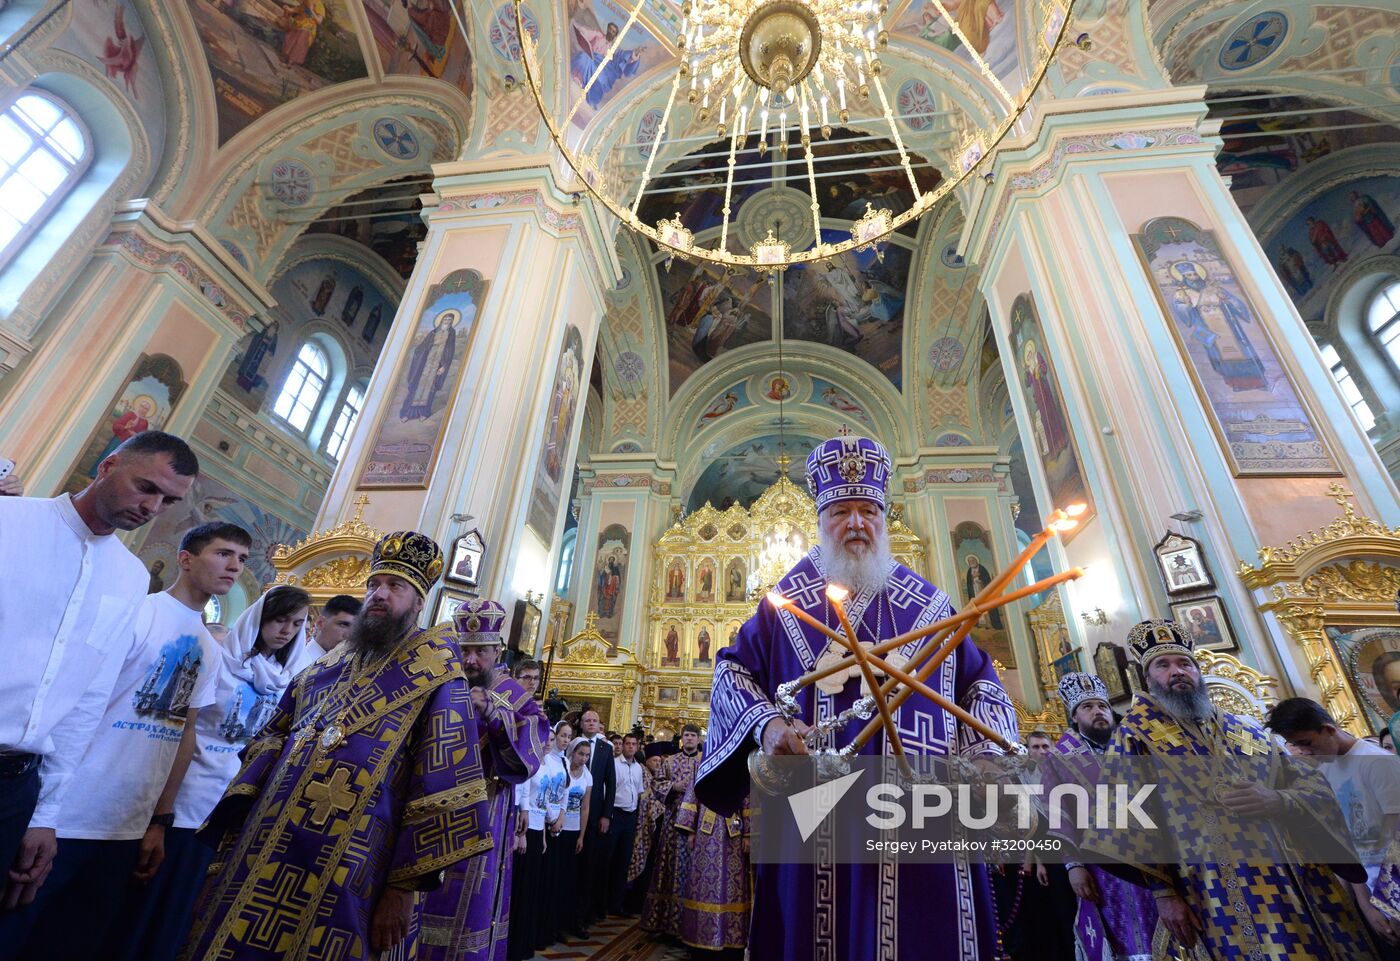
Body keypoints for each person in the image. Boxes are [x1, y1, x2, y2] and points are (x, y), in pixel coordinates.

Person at [695, 432, 1019, 960]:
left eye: (868, 509)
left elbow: (982, 683)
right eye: (841, 510)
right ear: (820, 520)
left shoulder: (932, 606)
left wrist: (985, 753)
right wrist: (769, 726)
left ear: (883, 517)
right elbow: (732, 672)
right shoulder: (785, 603)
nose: (855, 523)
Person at [182, 531, 495, 961]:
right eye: (374, 584)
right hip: (269, 844)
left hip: (358, 864)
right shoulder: (329, 664)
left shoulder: (439, 671)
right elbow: (271, 739)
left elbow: (442, 785)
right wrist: (231, 842)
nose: (379, 595)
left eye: (395, 587)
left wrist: (403, 889)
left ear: (419, 601)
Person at [0, 519, 235, 960]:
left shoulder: (210, 647)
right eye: (224, 554)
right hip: (69, 813)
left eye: (241, 559)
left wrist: (158, 821)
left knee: (77, 943)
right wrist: (44, 812)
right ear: (185, 559)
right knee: (15, 932)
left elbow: (184, 736)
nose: (235, 566)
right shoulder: (138, 612)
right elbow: (82, 704)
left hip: (127, 825)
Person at [1082, 620, 1379, 960]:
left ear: (1197, 671)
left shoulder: (1246, 731)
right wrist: (1164, 894)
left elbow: (1311, 784)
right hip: (1213, 891)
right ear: (1148, 680)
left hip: (1296, 881)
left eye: (1184, 664)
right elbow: (1121, 817)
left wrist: (1279, 800)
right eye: (1162, 666)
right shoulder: (1135, 736)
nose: (1177, 672)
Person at [0, 431, 197, 914]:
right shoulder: (9, 522)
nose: (153, 507)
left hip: (14, 787)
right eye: (146, 487)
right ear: (107, 467)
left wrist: (46, 814)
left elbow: (87, 696)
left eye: (168, 500)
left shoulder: (129, 576)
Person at [119, 583, 312, 961]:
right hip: (188, 797)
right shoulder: (218, 659)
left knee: (192, 910)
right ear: (259, 618)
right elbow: (184, 728)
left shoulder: (288, 679)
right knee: (154, 903)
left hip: (232, 806)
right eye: (278, 620)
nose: (286, 630)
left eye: (296, 623)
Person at [420, 600, 550, 961]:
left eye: (481, 651)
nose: (472, 659)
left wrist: (494, 717)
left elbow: (527, 761)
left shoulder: (516, 696)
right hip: (430, 805)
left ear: (497, 650)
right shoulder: (440, 682)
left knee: (469, 901)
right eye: (465, 650)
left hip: (485, 808)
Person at [1040, 672, 1161, 961]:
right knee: (1123, 935)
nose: (1098, 711)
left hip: (1155, 858)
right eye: (1088, 707)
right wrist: (1073, 866)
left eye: (1102, 706)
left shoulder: (1135, 746)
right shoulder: (1058, 759)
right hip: (1102, 867)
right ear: (1074, 718)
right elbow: (1059, 816)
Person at [1267, 697, 1400, 954]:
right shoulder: (1326, 768)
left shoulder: (1377, 763)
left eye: (1307, 743)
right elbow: (1348, 844)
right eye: (1296, 745)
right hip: (1374, 897)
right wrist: (1365, 903)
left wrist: (1390, 905)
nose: (1304, 753)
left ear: (1329, 729)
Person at [507, 709, 565, 961]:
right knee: (521, 889)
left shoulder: (548, 764)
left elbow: (544, 802)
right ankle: (514, 944)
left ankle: (526, 942)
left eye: (550, 740)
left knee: (531, 889)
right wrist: (521, 833)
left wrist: (544, 832)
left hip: (537, 830)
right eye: (545, 739)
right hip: (524, 830)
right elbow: (523, 800)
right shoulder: (529, 762)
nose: (547, 743)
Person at [642, 724, 704, 937]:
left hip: (696, 824)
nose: (689, 739)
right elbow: (656, 784)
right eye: (686, 735)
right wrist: (675, 787)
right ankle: (664, 922)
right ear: (682, 739)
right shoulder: (670, 761)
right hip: (672, 822)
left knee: (691, 870)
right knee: (668, 867)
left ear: (698, 739)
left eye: (693, 736)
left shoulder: (705, 760)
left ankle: (687, 927)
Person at [675, 780, 751, 951]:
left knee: (732, 885)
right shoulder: (704, 763)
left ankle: (731, 937)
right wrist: (690, 830)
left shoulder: (738, 764)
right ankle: (701, 937)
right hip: (705, 832)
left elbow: (747, 796)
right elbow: (693, 793)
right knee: (704, 884)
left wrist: (748, 833)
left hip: (733, 831)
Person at [547, 737, 593, 940]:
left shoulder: (588, 776)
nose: (583, 759)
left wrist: (582, 835)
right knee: (554, 878)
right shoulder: (562, 769)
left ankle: (567, 923)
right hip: (558, 828)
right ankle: (551, 925)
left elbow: (585, 807)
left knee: (569, 880)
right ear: (572, 753)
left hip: (575, 831)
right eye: (580, 754)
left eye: (587, 755)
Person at [535, 721, 575, 949]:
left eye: (569, 736)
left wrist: (561, 817)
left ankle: (549, 930)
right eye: (562, 736)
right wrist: (552, 819)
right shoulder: (546, 759)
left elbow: (564, 793)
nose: (565, 740)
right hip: (543, 823)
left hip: (557, 825)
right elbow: (546, 791)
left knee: (553, 881)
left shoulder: (565, 760)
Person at [577, 708, 615, 932]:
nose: (591, 723)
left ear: (599, 724)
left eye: (594, 721)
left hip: (595, 813)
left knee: (590, 866)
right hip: (572, 811)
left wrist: (606, 815)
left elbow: (610, 784)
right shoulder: (573, 745)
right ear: (581, 724)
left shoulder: (605, 749)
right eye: (587, 720)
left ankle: (585, 914)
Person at [625, 743, 670, 915]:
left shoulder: (653, 776)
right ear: (647, 760)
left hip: (650, 826)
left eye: (660, 761)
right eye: (655, 760)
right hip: (640, 825)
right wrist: (661, 808)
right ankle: (630, 903)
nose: (658, 764)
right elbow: (645, 799)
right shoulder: (642, 772)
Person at [608, 733, 646, 916]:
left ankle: (617, 903)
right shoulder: (614, 765)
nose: (631, 747)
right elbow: (609, 792)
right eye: (627, 744)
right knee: (609, 858)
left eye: (633, 744)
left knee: (623, 861)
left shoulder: (639, 768)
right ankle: (603, 902)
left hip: (630, 816)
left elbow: (639, 793)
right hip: (615, 814)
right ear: (622, 746)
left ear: (637, 747)